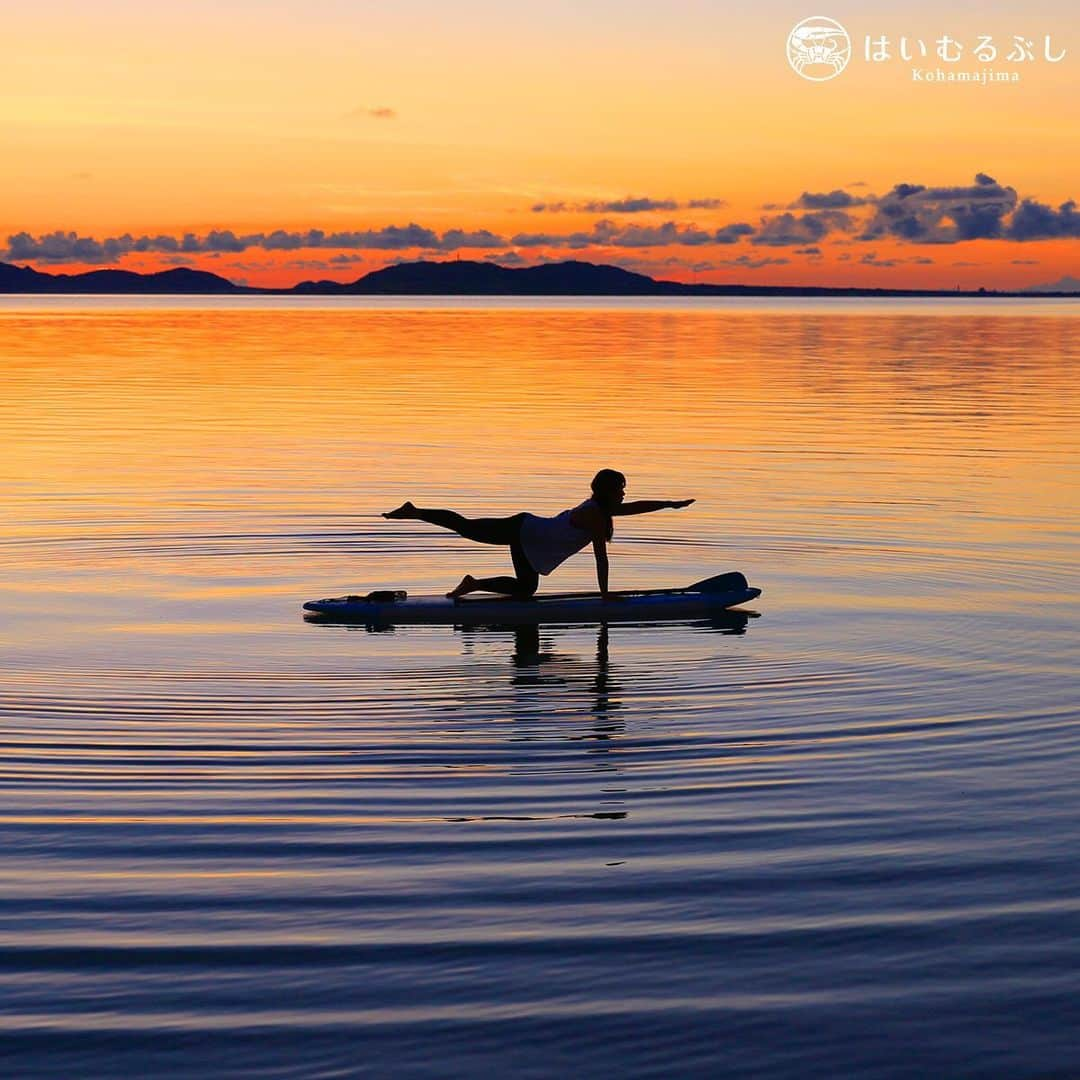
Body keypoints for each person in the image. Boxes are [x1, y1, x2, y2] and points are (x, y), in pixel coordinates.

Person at [382, 468, 695, 600]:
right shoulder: (596, 515)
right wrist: (604, 595)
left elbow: (636, 506)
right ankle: (416, 511)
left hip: (530, 537)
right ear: (608, 491)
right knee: (467, 527)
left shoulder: (602, 509)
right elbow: (601, 558)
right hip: (524, 529)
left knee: (525, 589)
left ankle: (473, 584)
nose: (625, 494)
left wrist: (669, 504)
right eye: (621, 489)